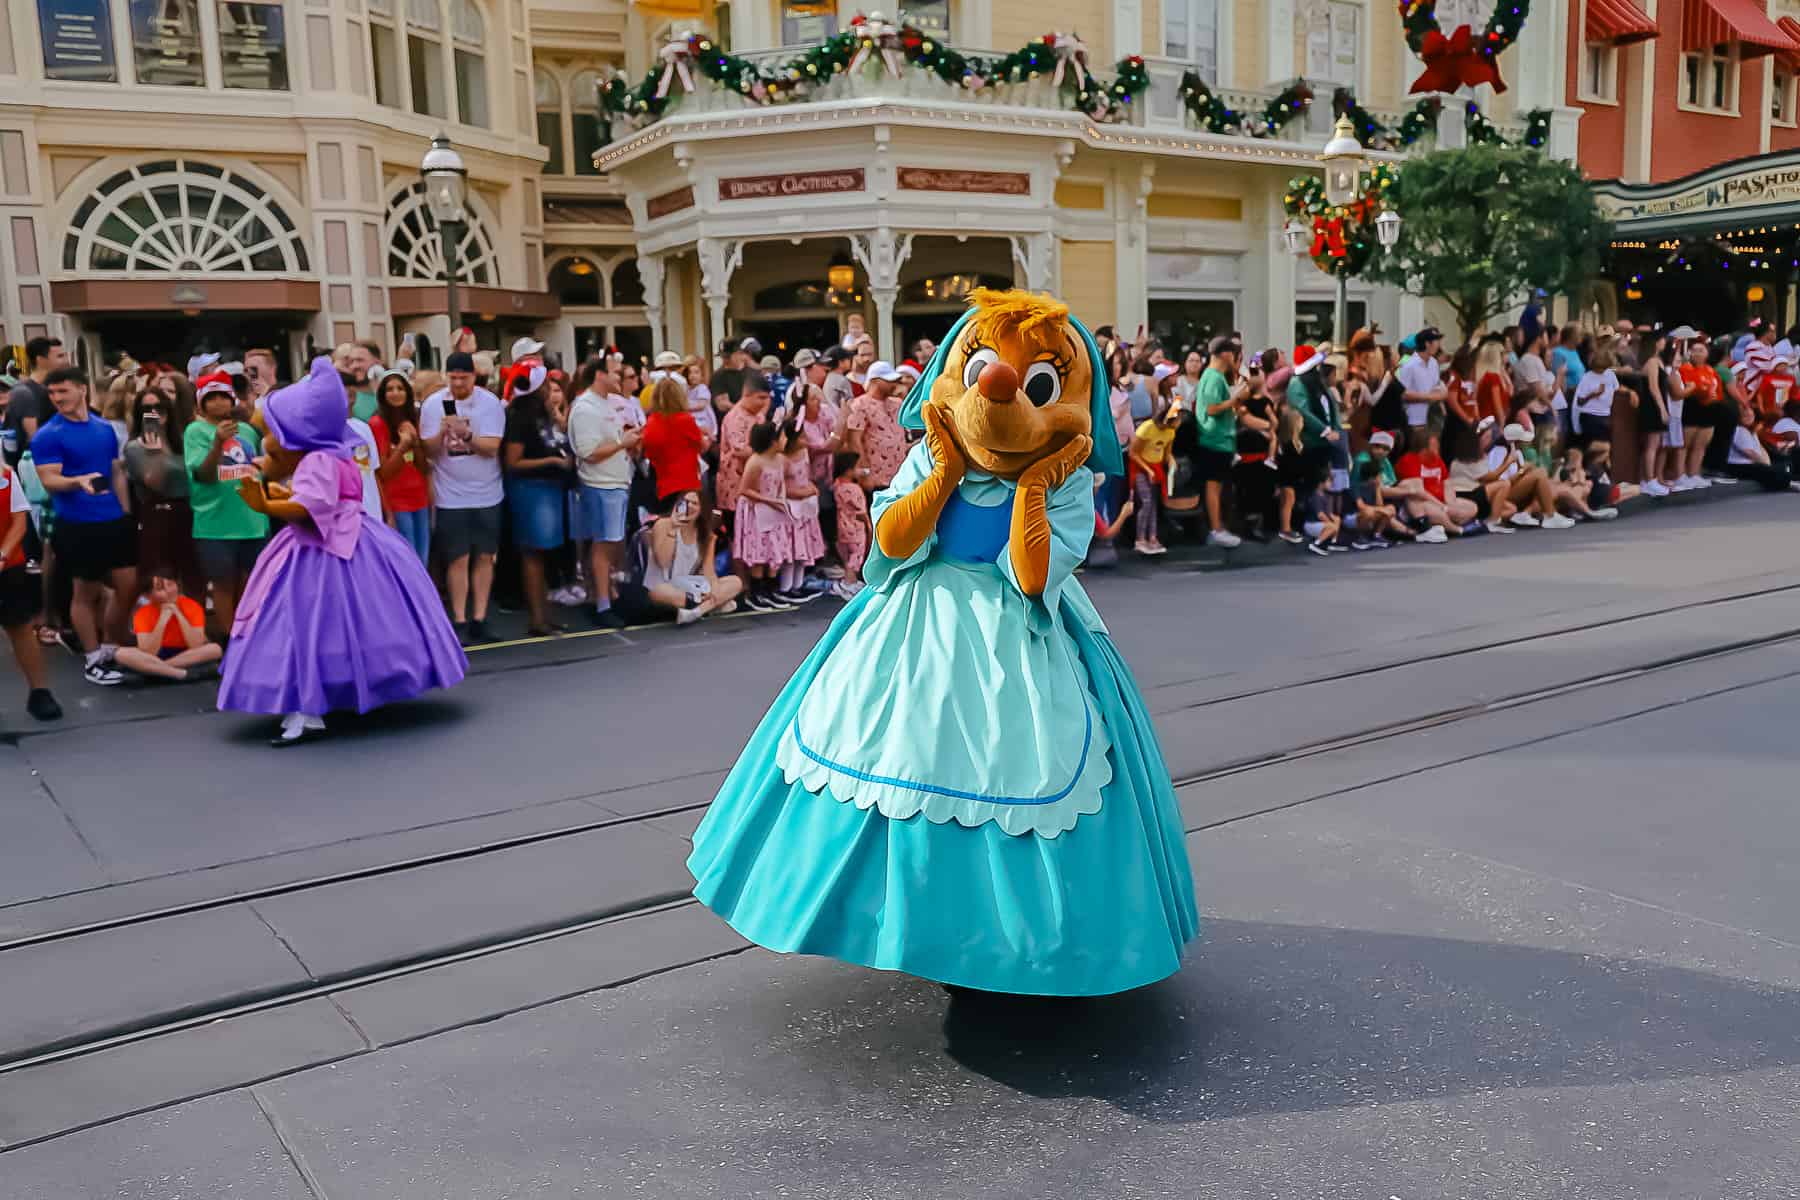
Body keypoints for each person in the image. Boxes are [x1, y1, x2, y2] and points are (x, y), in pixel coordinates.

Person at [687, 287, 1197, 997]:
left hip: (1020, 632)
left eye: (1040, 385)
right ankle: (911, 927)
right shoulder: (933, 458)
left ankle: (1009, 946)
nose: (999, 393)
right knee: (892, 754)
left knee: (1022, 763)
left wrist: (1034, 486)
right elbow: (892, 542)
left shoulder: (1067, 486)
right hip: (915, 623)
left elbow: (1032, 574)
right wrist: (948, 471)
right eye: (983, 366)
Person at [220, 358, 466, 745]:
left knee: (310, 624)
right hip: (335, 541)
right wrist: (282, 495)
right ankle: (333, 693)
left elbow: (310, 508)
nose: (268, 441)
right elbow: (314, 499)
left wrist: (268, 506)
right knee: (342, 623)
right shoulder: (330, 454)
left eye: (274, 432)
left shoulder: (319, 459)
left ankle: (308, 706)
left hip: (329, 548)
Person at [32, 365, 136, 685]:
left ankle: (109, 649)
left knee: (128, 587)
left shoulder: (104, 429)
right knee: (85, 593)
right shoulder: (48, 435)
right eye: (52, 393)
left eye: (63, 391)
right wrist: (77, 481)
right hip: (77, 524)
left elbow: (116, 470)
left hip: (113, 520)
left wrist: (125, 511)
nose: (57, 398)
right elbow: (49, 480)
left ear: (82, 389)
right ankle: (92, 660)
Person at [421, 351, 506, 643]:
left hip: (487, 491)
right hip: (451, 493)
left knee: (485, 556)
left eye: (464, 377)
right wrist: (442, 433)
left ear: (474, 377)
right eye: (453, 377)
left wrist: (466, 435)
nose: (458, 383)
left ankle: (479, 617)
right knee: (458, 557)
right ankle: (458, 618)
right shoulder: (434, 405)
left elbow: (493, 447)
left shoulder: (489, 403)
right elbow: (428, 451)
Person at [186, 370, 268, 642]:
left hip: (253, 520)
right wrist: (218, 443)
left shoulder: (247, 431)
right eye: (212, 398)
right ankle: (231, 641)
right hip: (215, 525)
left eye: (224, 396)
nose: (219, 403)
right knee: (222, 585)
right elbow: (203, 474)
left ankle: (251, 638)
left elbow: (260, 469)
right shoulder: (195, 431)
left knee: (251, 585)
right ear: (201, 404)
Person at [572, 363, 645, 629]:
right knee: (603, 544)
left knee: (611, 543)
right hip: (600, 484)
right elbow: (588, 452)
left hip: (617, 481)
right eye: (616, 373)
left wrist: (629, 444)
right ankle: (602, 604)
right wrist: (622, 443)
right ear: (600, 375)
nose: (621, 378)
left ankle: (607, 596)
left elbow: (615, 441)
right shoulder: (585, 408)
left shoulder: (609, 403)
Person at [503, 365, 575, 637]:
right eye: (545, 384)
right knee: (533, 553)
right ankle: (537, 619)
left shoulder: (543, 414)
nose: (550, 387)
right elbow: (513, 461)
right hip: (530, 489)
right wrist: (553, 460)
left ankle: (546, 615)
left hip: (549, 488)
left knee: (544, 554)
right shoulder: (520, 417)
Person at [123, 378, 198, 594]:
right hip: (156, 514)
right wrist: (155, 454)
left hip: (188, 513)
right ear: (139, 413)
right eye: (147, 408)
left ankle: (193, 625)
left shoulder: (182, 441)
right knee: (161, 582)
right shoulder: (135, 447)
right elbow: (153, 483)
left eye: (160, 407)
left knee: (193, 578)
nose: (155, 412)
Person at [0, 455, 59, 719]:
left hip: (7, 566)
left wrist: (2, 556)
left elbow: (19, 523)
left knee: (20, 628)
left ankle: (39, 692)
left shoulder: (5, 477)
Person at [638, 489, 743, 624]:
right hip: (664, 586)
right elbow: (663, 562)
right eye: (685, 502)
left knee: (735, 582)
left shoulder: (706, 535)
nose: (689, 506)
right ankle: (712, 606)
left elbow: (709, 572)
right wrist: (673, 529)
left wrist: (715, 589)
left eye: (694, 503)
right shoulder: (663, 524)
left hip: (690, 587)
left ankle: (695, 612)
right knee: (658, 591)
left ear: (701, 509)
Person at [114, 569, 222, 682]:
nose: (169, 591)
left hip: (186, 654)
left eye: (170, 584)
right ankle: (180, 674)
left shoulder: (192, 606)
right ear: (148, 596)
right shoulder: (143, 614)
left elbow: (196, 644)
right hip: (155, 655)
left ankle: (155, 669)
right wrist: (163, 619)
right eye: (160, 589)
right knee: (120, 653)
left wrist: (179, 614)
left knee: (215, 649)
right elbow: (149, 651)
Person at [369, 370, 430, 563]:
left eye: (400, 388)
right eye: (390, 389)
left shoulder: (413, 418)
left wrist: (416, 442)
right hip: (397, 500)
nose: (395, 393)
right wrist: (403, 446)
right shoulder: (377, 423)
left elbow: (423, 467)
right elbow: (383, 472)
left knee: (424, 557)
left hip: (420, 497)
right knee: (408, 558)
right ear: (382, 395)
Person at [734, 421, 793, 612]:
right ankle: (756, 593)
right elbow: (744, 489)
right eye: (782, 437)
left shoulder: (780, 460)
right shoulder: (756, 461)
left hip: (772, 511)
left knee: (774, 549)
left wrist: (780, 499)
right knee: (759, 551)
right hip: (757, 512)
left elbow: (780, 482)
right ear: (772, 441)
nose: (785, 440)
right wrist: (768, 500)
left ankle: (770, 589)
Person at [1194, 334, 1244, 548]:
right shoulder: (1214, 377)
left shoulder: (1212, 375)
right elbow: (1211, 408)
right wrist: (1234, 399)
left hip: (1219, 440)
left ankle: (1218, 526)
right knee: (1213, 486)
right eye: (1233, 352)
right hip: (1215, 439)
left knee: (1218, 486)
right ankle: (1216, 528)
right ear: (1225, 354)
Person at [779, 415, 826, 602]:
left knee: (802, 548)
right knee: (791, 550)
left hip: (806, 506)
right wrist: (800, 492)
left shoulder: (804, 454)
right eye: (802, 437)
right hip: (792, 507)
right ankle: (786, 587)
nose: (806, 441)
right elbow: (781, 486)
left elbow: (806, 475)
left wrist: (811, 488)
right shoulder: (783, 460)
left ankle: (798, 585)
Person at [2, 335, 68, 467]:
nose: (66, 361)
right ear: (41, 360)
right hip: (37, 469)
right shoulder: (25, 393)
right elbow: (34, 438)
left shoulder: (51, 389)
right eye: (59, 357)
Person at [1395, 430, 1473, 537]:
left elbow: (1447, 485)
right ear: (1423, 446)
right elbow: (1419, 492)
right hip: (1422, 503)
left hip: (1441, 501)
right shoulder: (1409, 460)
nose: (1438, 446)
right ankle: (1456, 529)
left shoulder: (1438, 460)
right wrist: (1442, 507)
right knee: (1438, 512)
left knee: (1472, 507)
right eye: (1434, 444)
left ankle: (1442, 524)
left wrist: (1450, 503)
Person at [844, 361, 908, 488]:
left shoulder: (897, 404)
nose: (894, 384)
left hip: (901, 478)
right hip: (877, 480)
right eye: (889, 380)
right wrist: (866, 473)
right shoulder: (859, 405)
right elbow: (854, 441)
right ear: (875, 381)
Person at [1128, 394, 1178, 556]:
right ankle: (1140, 539)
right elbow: (1133, 453)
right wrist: (1148, 470)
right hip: (1141, 467)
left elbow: (1166, 452)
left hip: (1156, 468)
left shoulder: (1170, 432)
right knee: (1146, 502)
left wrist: (1171, 462)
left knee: (1154, 503)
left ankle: (1153, 537)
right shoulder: (1147, 428)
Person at [1676, 338, 1721, 491]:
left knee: (1701, 444)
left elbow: (1717, 390)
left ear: (1707, 353)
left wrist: (1715, 397)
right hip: (1692, 407)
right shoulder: (1686, 368)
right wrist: (1704, 392)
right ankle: (1680, 475)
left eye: (1701, 350)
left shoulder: (1711, 370)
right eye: (1694, 350)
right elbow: (1693, 387)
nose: (1697, 353)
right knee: (1685, 444)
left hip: (1709, 409)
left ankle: (1693, 474)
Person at [830, 451, 870, 599]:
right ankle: (848, 583)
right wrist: (868, 524)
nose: (862, 470)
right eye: (858, 467)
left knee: (848, 555)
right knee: (855, 555)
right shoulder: (852, 489)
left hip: (843, 526)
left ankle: (851, 581)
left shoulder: (838, 485)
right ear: (849, 470)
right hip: (855, 528)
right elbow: (860, 511)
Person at [1397, 327, 1447, 432]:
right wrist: (1429, 397)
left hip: (1433, 421)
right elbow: (1403, 394)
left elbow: (1436, 386)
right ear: (1427, 344)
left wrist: (1440, 402)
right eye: (1436, 340)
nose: (1438, 344)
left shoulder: (1434, 363)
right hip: (1414, 421)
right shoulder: (1409, 365)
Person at [1299, 473, 1342, 557]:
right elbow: (1320, 515)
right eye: (1329, 481)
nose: (1331, 484)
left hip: (1320, 525)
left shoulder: (1325, 496)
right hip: (1311, 524)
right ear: (1321, 484)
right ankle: (1316, 544)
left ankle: (1331, 543)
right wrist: (1332, 525)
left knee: (1337, 519)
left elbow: (1329, 513)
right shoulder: (1315, 496)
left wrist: (1335, 519)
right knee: (1332, 526)